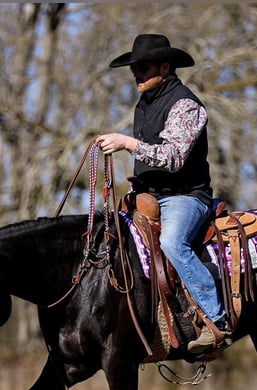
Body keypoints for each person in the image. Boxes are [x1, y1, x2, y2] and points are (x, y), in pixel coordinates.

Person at [96, 33, 230, 355]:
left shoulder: (186, 104)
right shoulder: (145, 103)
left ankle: (217, 321)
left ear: (165, 67)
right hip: (149, 196)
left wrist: (127, 143)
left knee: (172, 243)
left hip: (186, 197)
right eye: (134, 67)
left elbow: (172, 158)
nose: (136, 73)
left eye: (143, 67)